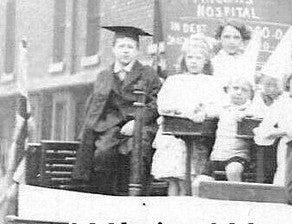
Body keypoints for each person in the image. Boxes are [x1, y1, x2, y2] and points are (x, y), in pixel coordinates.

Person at [72, 25, 162, 196]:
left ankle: (136, 199)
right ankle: (106, 198)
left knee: (137, 153)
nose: (125, 51)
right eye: (121, 46)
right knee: (103, 154)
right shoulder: (104, 75)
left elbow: (156, 103)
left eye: (130, 47)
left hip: (141, 126)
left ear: (137, 51)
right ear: (113, 49)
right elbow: (95, 109)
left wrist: (137, 121)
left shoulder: (148, 74)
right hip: (111, 127)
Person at [151, 37, 225, 195]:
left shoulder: (212, 82)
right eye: (190, 57)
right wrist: (185, 112)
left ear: (205, 61)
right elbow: (163, 104)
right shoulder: (174, 81)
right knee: (174, 177)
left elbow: (219, 106)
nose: (194, 61)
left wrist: (204, 112)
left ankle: (187, 205)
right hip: (173, 133)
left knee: (189, 178)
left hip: (199, 134)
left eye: (198, 58)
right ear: (184, 59)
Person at [254, 63, 292, 184]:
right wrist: (286, 131)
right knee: (285, 175)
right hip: (288, 145)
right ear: (288, 82)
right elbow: (263, 131)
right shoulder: (281, 103)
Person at [203, 75, 258, 184]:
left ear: (251, 94)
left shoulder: (251, 108)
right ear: (228, 90)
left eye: (244, 90)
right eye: (235, 88)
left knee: (233, 171)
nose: (239, 92)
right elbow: (206, 113)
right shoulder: (223, 107)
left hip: (238, 156)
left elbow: (259, 116)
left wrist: (246, 116)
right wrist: (198, 111)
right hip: (217, 156)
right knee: (199, 183)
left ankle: (237, 199)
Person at [211, 21, 255, 86]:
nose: (231, 42)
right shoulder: (213, 62)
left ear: (242, 40)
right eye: (227, 37)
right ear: (219, 38)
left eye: (236, 38)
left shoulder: (246, 62)